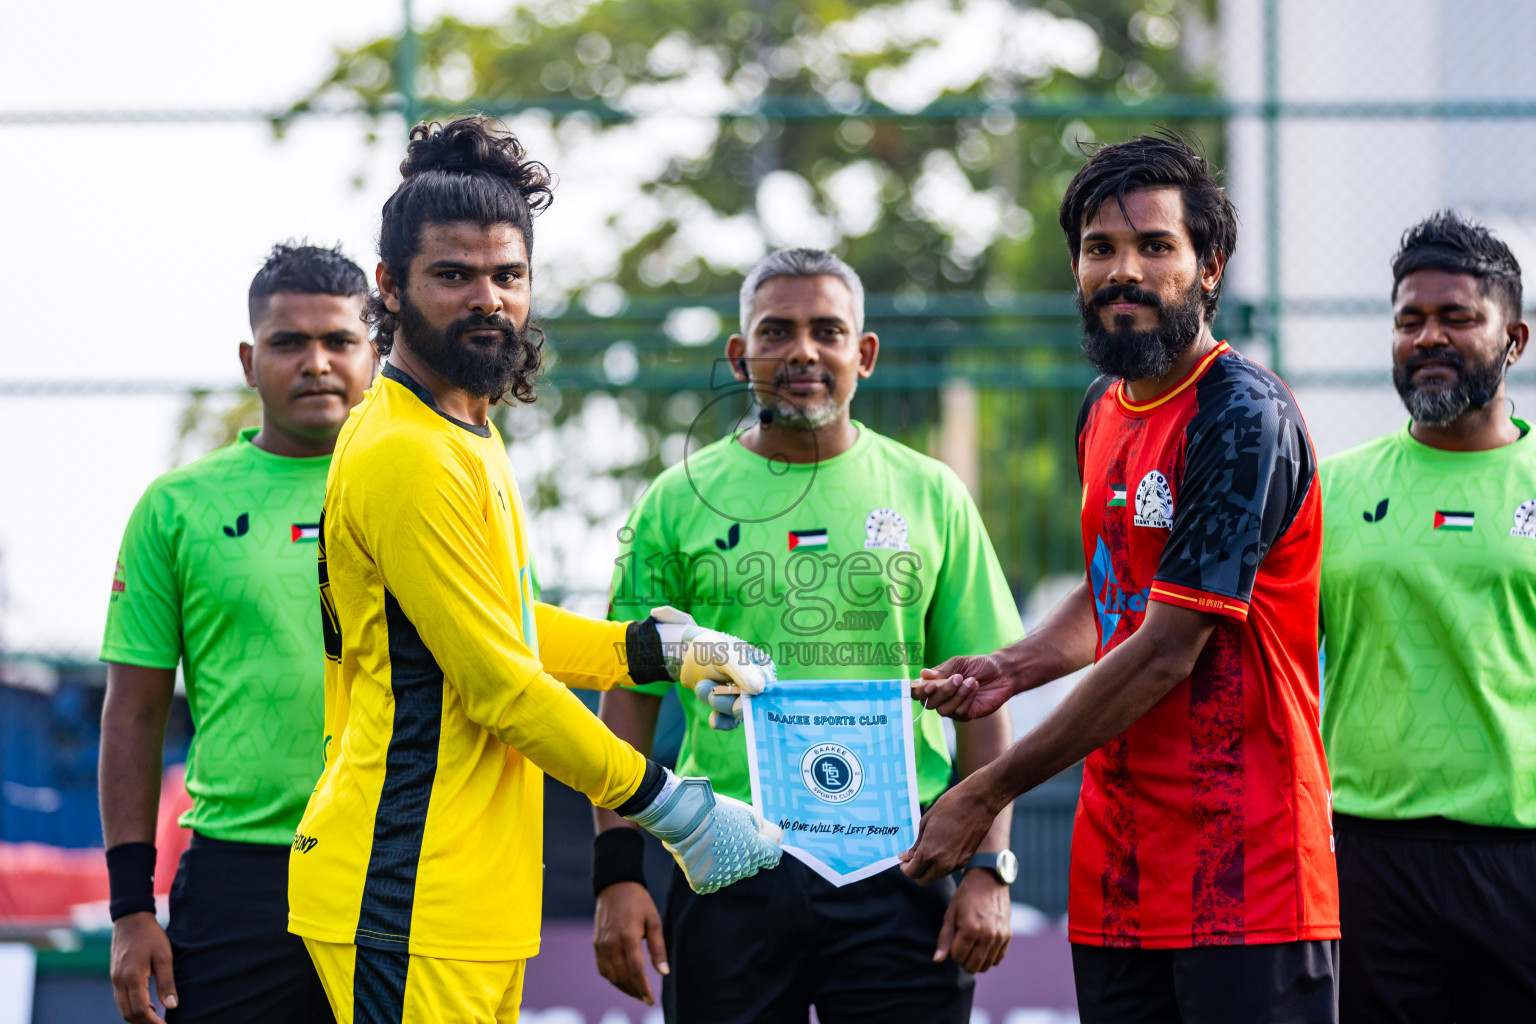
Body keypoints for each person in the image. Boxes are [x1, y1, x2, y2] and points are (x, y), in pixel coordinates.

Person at [285, 116, 781, 1024]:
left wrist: (655, 650)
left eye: (506, 276)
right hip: (402, 889)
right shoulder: (408, 452)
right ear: (390, 288)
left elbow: (499, 622)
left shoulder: (461, 432)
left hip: (465, 896)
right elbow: (500, 684)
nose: (488, 300)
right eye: (454, 276)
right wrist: (675, 808)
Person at [904, 134, 1340, 1023]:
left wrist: (987, 789)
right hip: (1121, 882)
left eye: (1155, 247)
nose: (1123, 271)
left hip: (1248, 880)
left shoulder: (1242, 415)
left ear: (1209, 268)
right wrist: (1017, 665)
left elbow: (1165, 651)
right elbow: (1117, 584)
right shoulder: (1103, 408)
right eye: (1100, 249)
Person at [591, 248, 1023, 1023]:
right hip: (725, 861)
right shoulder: (673, 502)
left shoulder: (931, 495)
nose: (802, 351)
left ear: (864, 353)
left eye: (827, 331)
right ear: (739, 355)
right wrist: (616, 872)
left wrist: (991, 865)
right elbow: (628, 698)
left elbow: (985, 693)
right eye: (775, 331)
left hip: (902, 861)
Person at [100, 243, 377, 1024]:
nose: (317, 362)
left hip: (397, 862)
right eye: (290, 343)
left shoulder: (436, 487)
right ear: (251, 360)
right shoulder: (177, 506)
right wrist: (130, 906)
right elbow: (133, 711)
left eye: (339, 341)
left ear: (376, 352)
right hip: (240, 877)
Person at [1318, 211, 1536, 1021]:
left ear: (1514, 340)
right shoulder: (1330, 488)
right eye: (1410, 320)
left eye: (1457, 318)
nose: (1428, 337)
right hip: (1368, 855)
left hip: (1518, 856)